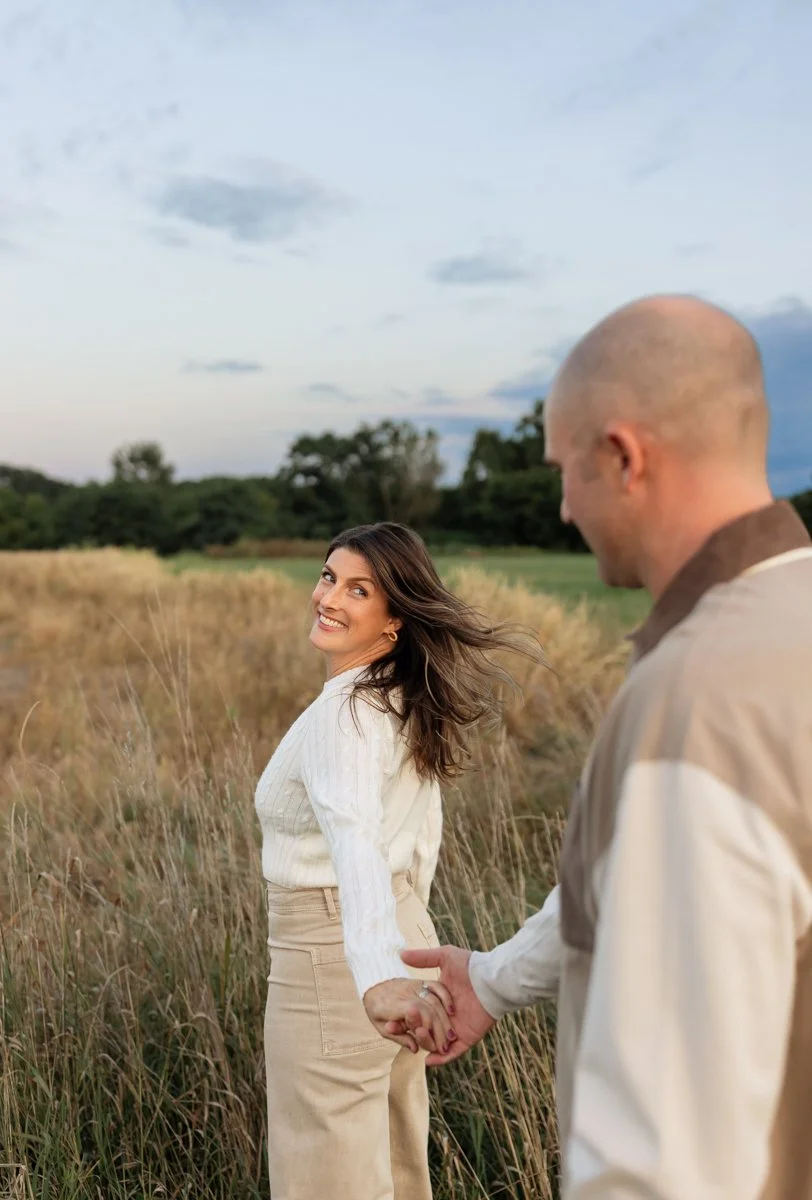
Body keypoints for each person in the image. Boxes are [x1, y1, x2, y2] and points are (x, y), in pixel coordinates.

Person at [370, 296, 812, 1199]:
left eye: (565, 470)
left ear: (621, 455)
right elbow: (653, 879)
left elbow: (663, 1147)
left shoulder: (695, 700)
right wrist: (492, 980)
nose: (565, 505)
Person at [254, 521, 541, 1200]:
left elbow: (353, 835)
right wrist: (406, 938)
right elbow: (422, 837)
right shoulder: (399, 699)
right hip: (401, 928)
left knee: (328, 1179)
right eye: (329, 577)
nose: (329, 598)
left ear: (393, 620)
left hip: (339, 955)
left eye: (360, 590)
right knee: (397, 1168)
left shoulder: (345, 715)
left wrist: (377, 974)